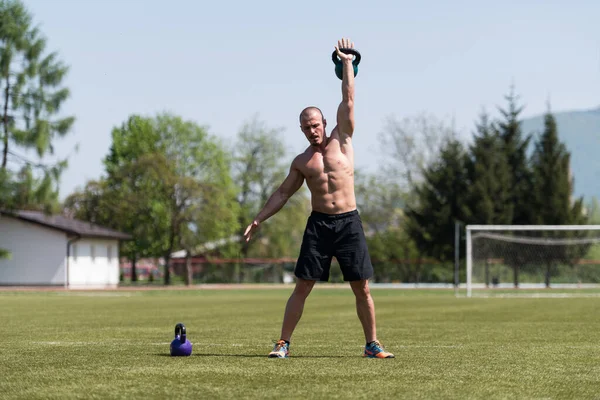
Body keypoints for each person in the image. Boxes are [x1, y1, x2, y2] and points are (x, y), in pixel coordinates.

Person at [243, 38, 394, 359]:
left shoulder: (343, 138)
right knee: (303, 285)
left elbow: (349, 98)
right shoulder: (302, 161)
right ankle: (282, 343)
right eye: (306, 127)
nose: (312, 130)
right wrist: (259, 218)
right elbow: (283, 192)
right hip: (320, 226)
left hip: (349, 222)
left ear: (324, 123)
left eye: (315, 124)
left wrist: (348, 63)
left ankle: (372, 344)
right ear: (301, 130)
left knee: (361, 287)